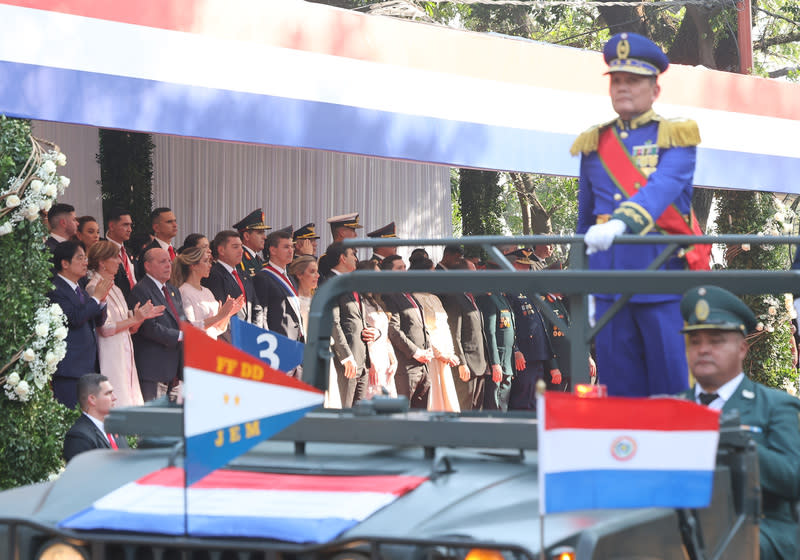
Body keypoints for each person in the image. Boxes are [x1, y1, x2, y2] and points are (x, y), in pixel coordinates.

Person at [572, 32, 706, 397]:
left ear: (655, 90)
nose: (622, 88)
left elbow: (662, 188)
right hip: (609, 282)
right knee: (621, 391)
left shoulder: (676, 136)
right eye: (616, 80)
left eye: (633, 80)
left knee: (672, 387)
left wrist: (621, 222)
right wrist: (581, 285)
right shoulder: (593, 143)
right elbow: (585, 221)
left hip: (660, 280)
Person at [679, 286, 800, 560]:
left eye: (716, 340)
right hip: (679, 526)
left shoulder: (774, 405)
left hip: (757, 525)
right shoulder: (674, 407)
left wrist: (739, 443)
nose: (704, 349)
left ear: (742, 348)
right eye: (695, 341)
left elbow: (793, 479)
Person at [86, 241, 163, 407]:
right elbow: (105, 328)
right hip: (110, 353)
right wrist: (134, 319)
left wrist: (140, 316)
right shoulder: (93, 288)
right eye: (114, 257)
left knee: (130, 398)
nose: (119, 261)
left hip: (125, 351)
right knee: (117, 398)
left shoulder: (116, 288)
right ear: (102, 262)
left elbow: (129, 325)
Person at [48, 241, 112, 408]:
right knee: (72, 419)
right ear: (65, 263)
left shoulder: (79, 288)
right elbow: (74, 318)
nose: (85, 262)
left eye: (86, 258)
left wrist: (102, 302)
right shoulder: (55, 289)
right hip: (70, 369)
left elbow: (96, 321)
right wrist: (96, 298)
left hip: (88, 366)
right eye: (80, 258)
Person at [129, 247, 186, 401]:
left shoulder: (173, 290)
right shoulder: (141, 290)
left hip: (175, 369)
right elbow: (149, 327)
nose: (169, 265)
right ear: (147, 266)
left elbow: (182, 320)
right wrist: (181, 336)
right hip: (153, 369)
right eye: (162, 262)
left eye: (169, 261)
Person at [409, 258, 460, 412]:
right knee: (433, 399)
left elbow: (445, 326)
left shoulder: (435, 297)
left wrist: (450, 352)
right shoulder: (415, 298)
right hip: (431, 356)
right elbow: (425, 330)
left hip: (445, 358)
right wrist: (440, 353)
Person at [439, 260, 490, 411]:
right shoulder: (455, 298)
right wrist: (462, 363)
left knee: (476, 408)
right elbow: (455, 334)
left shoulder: (469, 297)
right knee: (464, 407)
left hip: (480, 364)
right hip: (467, 364)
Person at [254, 229, 305, 377]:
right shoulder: (263, 277)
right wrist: (265, 347)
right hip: (277, 348)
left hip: (296, 347)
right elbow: (260, 314)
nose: (291, 251)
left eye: (292, 246)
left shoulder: (290, 278)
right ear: (272, 250)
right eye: (286, 247)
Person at [327, 242, 367, 407]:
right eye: (353, 254)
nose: (356, 259)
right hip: (347, 360)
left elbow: (358, 318)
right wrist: (346, 356)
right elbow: (333, 322)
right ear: (342, 258)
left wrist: (374, 331)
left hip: (362, 357)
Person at [173, 247, 243, 340]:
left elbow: (217, 328)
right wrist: (219, 316)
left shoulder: (207, 291)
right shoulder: (184, 291)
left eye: (210, 261)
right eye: (206, 261)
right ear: (193, 265)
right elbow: (189, 327)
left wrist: (228, 313)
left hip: (211, 344)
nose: (210, 265)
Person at [203, 230, 260, 332]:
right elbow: (220, 309)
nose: (241, 250)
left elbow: (256, 305)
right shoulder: (214, 275)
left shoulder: (244, 275)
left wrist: (256, 329)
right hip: (229, 334)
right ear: (221, 250)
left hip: (250, 334)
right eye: (235, 247)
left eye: (241, 246)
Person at [63, 374, 128, 463]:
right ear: (92, 399)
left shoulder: (116, 429)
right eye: (108, 393)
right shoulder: (79, 437)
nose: (114, 398)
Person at [356, 261, 397, 398]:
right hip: (371, 361)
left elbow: (384, 334)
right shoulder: (360, 302)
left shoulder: (376, 302)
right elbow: (365, 336)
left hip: (384, 359)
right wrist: (371, 363)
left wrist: (393, 359)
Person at [477, 284, 516, 411]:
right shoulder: (489, 298)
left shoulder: (502, 298)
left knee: (503, 405)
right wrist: (495, 363)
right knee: (493, 405)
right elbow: (490, 332)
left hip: (507, 362)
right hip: (497, 362)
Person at [104, 208, 137, 299]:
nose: (129, 229)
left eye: (130, 225)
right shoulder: (103, 251)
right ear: (111, 226)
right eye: (125, 225)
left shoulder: (128, 251)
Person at [136, 207, 178, 278]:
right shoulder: (148, 252)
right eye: (169, 222)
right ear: (156, 228)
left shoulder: (174, 251)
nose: (175, 225)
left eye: (175, 221)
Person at [318, 213, 362, 279]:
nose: (355, 235)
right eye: (353, 230)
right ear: (342, 232)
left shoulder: (352, 255)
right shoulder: (326, 259)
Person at [233, 209, 270, 280]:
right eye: (260, 233)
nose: (265, 237)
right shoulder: (240, 259)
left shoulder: (257, 259)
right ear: (247, 236)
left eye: (263, 233)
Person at [288, 255, 319, 328]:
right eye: (312, 271)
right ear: (299, 274)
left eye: (317, 271)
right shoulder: (294, 301)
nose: (317, 275)